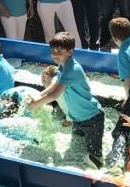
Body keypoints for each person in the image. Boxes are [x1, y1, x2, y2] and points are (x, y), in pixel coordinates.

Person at [26, 32, 105, 167]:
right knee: (77, 142)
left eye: (59, 51)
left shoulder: (71, 69)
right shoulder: (63, 65)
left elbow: (55, 95)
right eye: (53, 51)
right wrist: (38, 96)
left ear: (70, 52)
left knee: (95, 158)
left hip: (92, 118)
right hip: (78, 118)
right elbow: (54, 84)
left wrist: (35, 104)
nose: (55, 55)